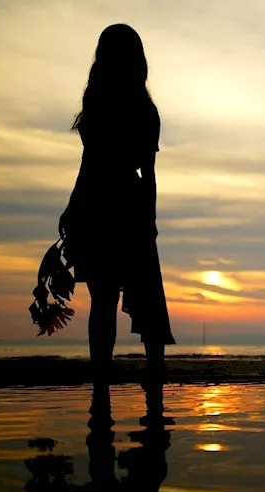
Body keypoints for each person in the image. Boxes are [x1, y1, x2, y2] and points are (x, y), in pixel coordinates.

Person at [59, 23, 175, 378]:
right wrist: (149, 220)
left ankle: (104, 385)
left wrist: (75, 204)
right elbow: (147, 172)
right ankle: (148, 382)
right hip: (119, 202)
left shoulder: (102, 104)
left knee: (107, 299)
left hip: (101, 202)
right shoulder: (140, 108)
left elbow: (91, 162)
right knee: (143, 298)